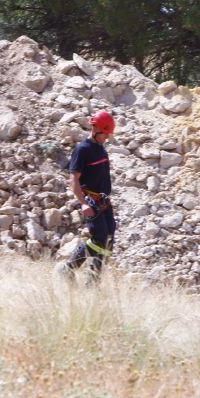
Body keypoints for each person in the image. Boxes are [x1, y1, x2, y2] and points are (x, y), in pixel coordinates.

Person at [60, 110, 117, 284]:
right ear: (97, 130)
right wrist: (84, 204)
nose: (107, 138)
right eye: (105, 134)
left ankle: (93, 281)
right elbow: (74, 180)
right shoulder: (82, 149)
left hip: (104, 201)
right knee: (99, 237)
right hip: (91, 201)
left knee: (108, 237)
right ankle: (68, 269)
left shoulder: (100, 148)